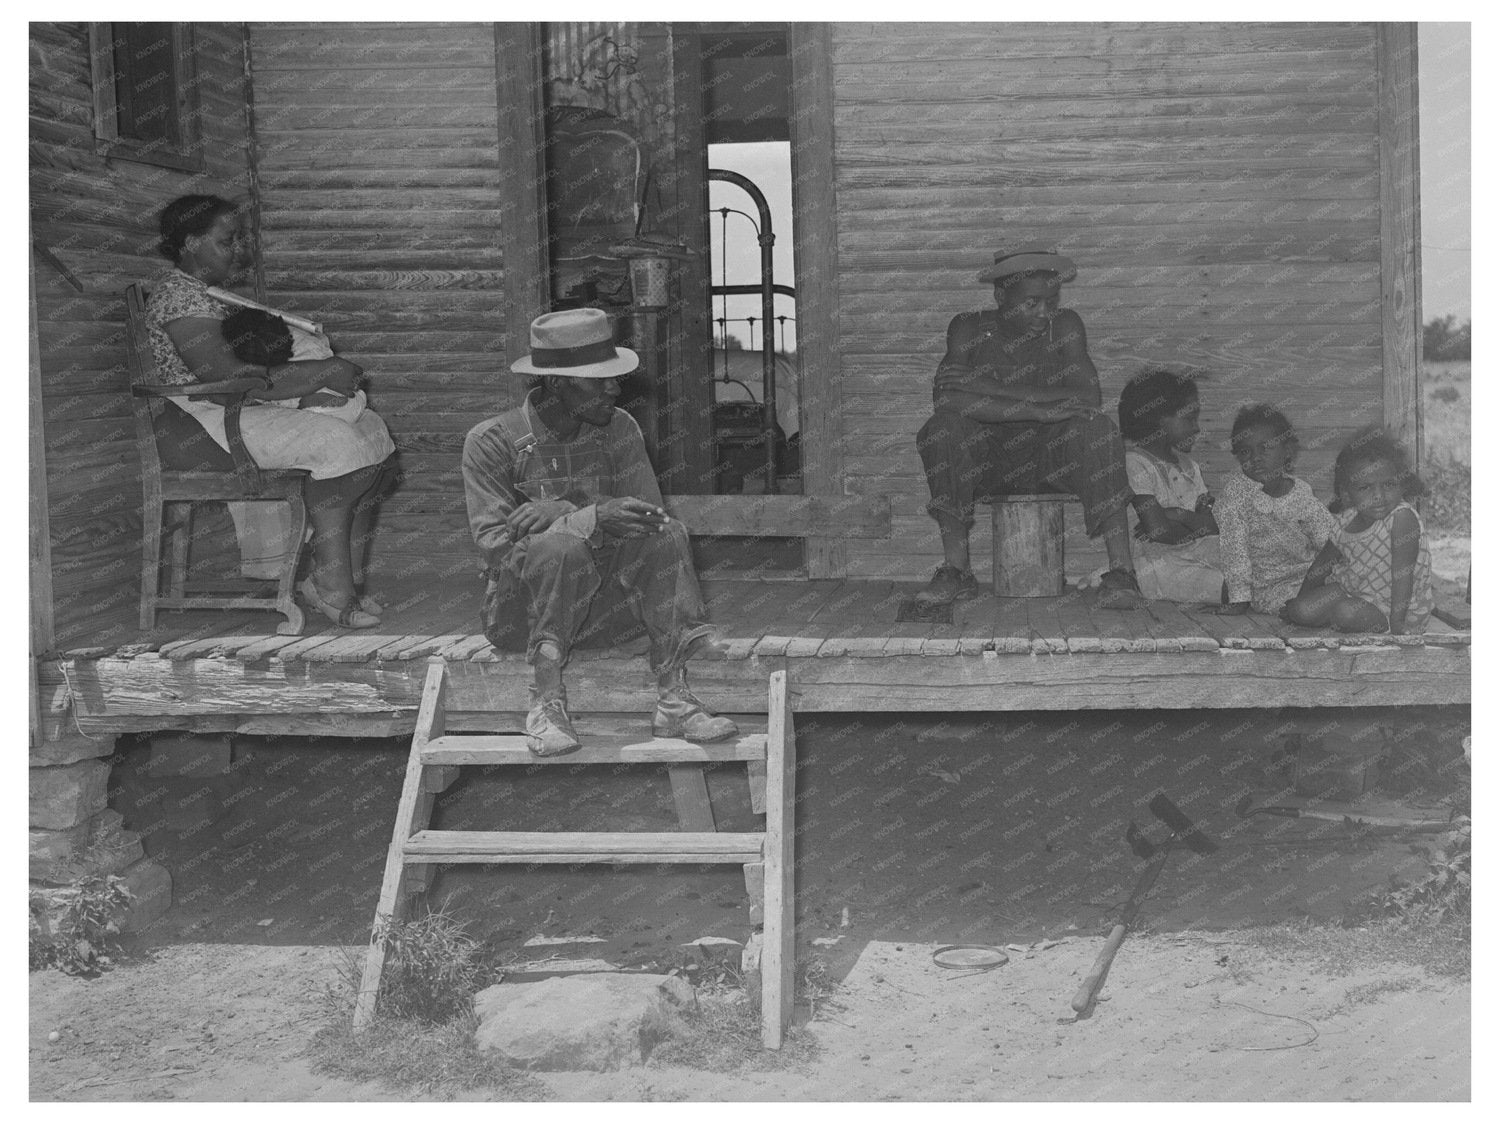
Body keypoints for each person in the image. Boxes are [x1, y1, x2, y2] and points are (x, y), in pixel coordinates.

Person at [462, 308, 737, 758]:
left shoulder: (619, 429)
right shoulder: (492, 442)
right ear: (557, 383)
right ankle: (546, 701)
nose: (615, 387)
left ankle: (673, 698)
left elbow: (653, 521)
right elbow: (495, 547)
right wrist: (582, 519)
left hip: (605, 616)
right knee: (561, 548)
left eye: (614, 377)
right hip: (522, 620)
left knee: (667, 536)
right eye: (599, 379)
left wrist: (571, 510)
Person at [146, 194, 396, 628]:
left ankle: (341, 582)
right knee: (335, 441)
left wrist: (307, 385)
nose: (238, 249)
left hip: (232, 410)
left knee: (370, 430)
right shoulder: (178, 298)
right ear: (189, 243)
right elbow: (223, 378)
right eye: (227, 241)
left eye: (239, 239)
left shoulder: (209, 295)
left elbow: (249, 373)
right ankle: (331, 586)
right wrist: (318, 374)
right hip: (196, 423)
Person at [915, 247, 1143, 608]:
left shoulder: (1065, 325)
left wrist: (990, 387)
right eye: (1032, 303)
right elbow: (947, 401)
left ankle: (1122, 575)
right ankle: (956, 572)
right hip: (986, 464)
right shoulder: (968, 327)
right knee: (942, 430)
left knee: (1097, 429)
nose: (1044, 313)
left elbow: (1087, 397)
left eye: (1051, 301)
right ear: (1000, 296)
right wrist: (1039, 411)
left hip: (1051, 460)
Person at [1282, 427, 1432, 634]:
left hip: (1396, 610)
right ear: (1347, 494)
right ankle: (1336, 618)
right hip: (1354, 594)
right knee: (1300, 610)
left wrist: (1398, 625)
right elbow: (1320, 567)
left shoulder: (1401, 518)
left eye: (1388, 484)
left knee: (1345, 612)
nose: (1379, 496)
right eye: (1365, 488)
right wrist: (1301, 602)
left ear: (1402, 483)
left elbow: (1403, 575)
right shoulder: (1344, 522)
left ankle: (1366, 623)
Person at [1214, 405, 1338, 616]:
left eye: (1265, 448)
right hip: (1269, 587)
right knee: (1308, 608)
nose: (1256, 458)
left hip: (1308, 577)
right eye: (1246, 452)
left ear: (1288, 451)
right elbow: (1234, 553)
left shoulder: (1300, 493)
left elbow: (1328, 538)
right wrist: (1239, 599)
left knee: (1343, 591)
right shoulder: (1235, 496)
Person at [1116, 369, 1223, 603]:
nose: (1196, 428)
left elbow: (1214, 526)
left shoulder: (1190, 466)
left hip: (1201, 553)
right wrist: (1195, 523)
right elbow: (1159, 532)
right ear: (1159, 420)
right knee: (1234, 587)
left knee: (1247, 558)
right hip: (1162, 565)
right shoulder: (1136, 463)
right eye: (1189, 418)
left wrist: (1178, 514)